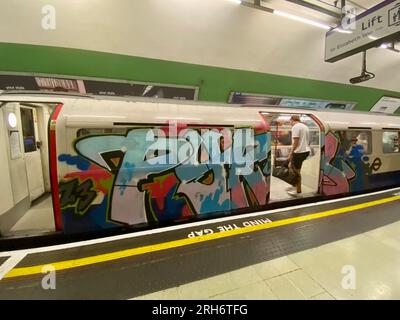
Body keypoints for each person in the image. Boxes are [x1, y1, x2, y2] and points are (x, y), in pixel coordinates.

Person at [287, 115, 310, 196]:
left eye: (289, 121)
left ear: (292, 120)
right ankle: (294, 186)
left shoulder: (295, 127)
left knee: (296, 172)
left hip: (299, 152)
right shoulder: (305, 126)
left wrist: (291, 153)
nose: (289, 123)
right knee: (293, 169)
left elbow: (295, 142)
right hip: (306, 151)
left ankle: (298, 191)